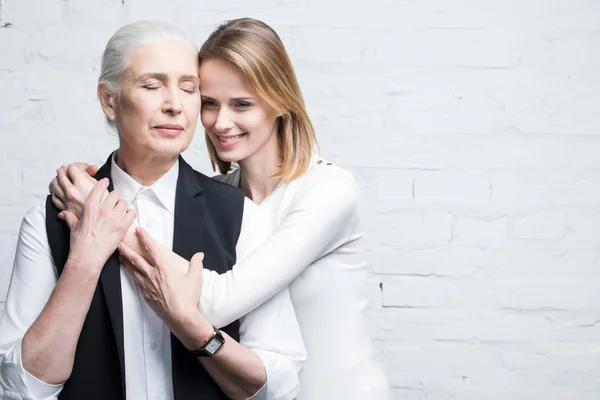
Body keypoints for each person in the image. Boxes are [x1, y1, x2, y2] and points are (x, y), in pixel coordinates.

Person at [49, 18, 392, 399]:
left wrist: (103, 213)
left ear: (281, 101)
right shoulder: (221, 199)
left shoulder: (327, 191)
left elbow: (215, 302)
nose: (220, 122)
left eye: (241, 104)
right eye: (210, 103)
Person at [0, 20, 305, 400]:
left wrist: (194, 329)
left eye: (190, 89)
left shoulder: (241, 216)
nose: (174, 104)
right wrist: (84, 262)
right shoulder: (49, 220)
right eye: (151, 85)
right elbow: (22, 389)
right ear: (108, 100)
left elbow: (279, 387)